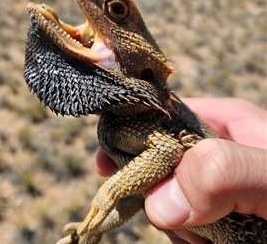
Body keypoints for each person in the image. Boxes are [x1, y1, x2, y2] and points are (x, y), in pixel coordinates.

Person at [95, 98, 267, 244]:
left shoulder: (145, 123)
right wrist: (93, 228)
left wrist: (110, 191)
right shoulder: (118, 127)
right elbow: (137, 195)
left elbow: (168, 150)